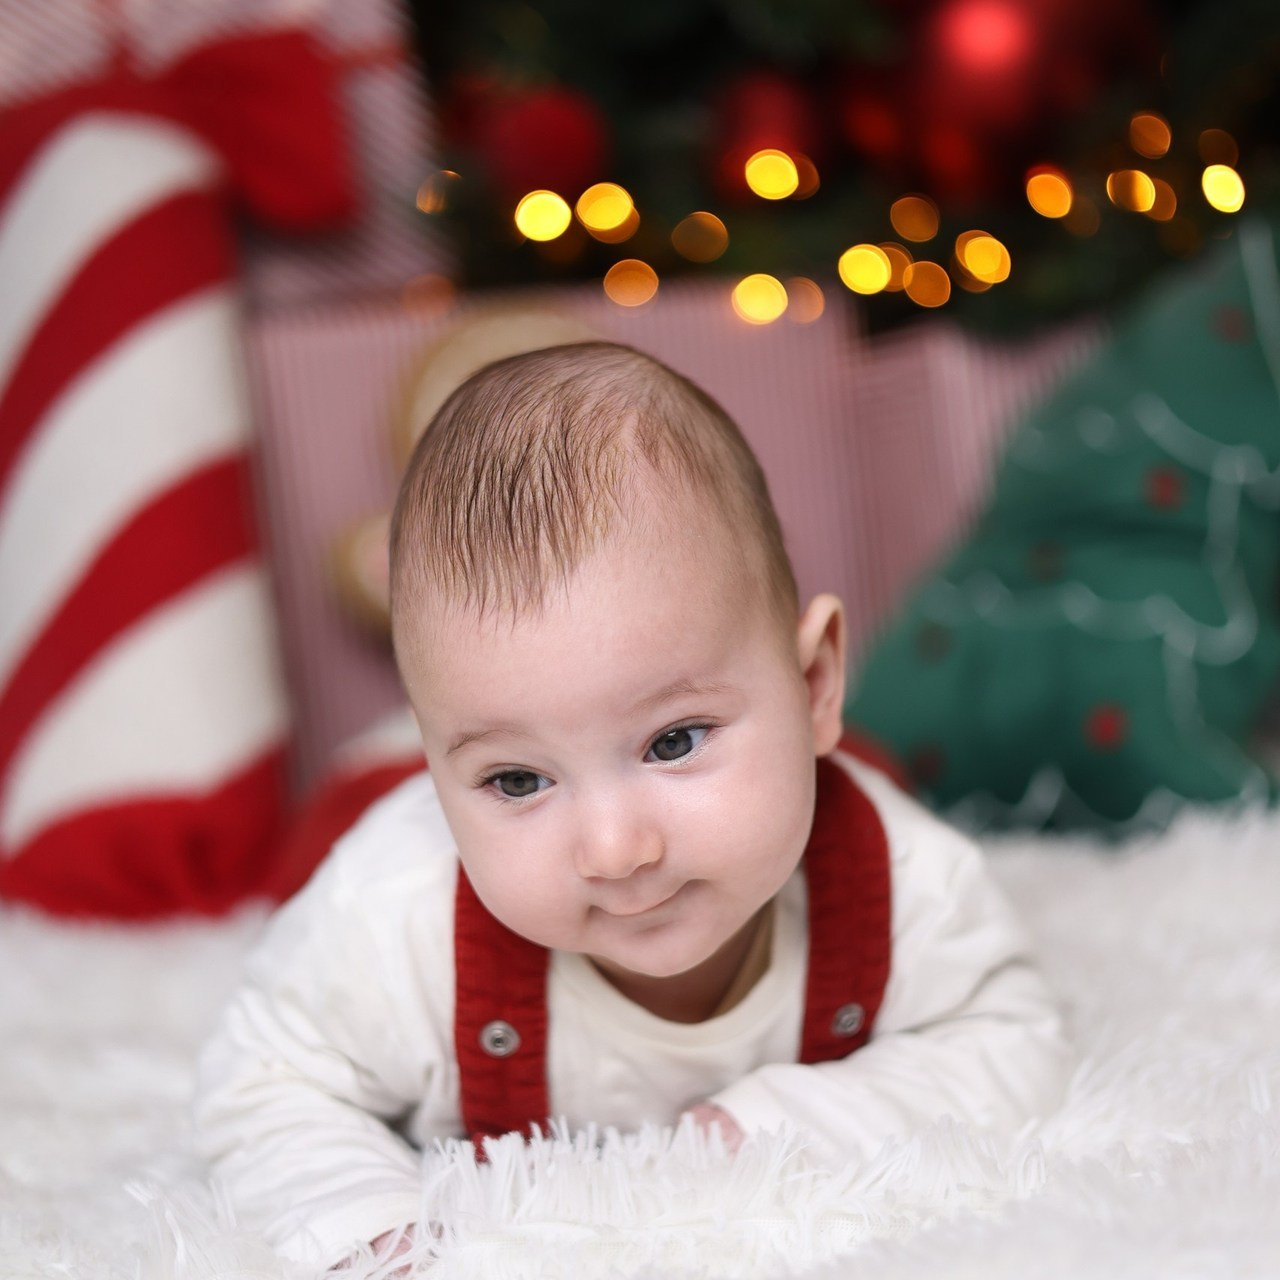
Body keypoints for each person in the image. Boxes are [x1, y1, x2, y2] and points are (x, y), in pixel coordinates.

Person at [193, 342, 1070, 1271]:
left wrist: (787, 1122)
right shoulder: (393, 918)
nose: (614, 850)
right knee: (324, 836)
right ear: (440, 768)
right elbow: (266, 1081)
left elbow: (1011, 1038)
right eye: (517, 780)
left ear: (814, 684)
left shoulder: (901, 878)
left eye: (674, 741)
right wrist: (368, 1225)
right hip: (377, 810)